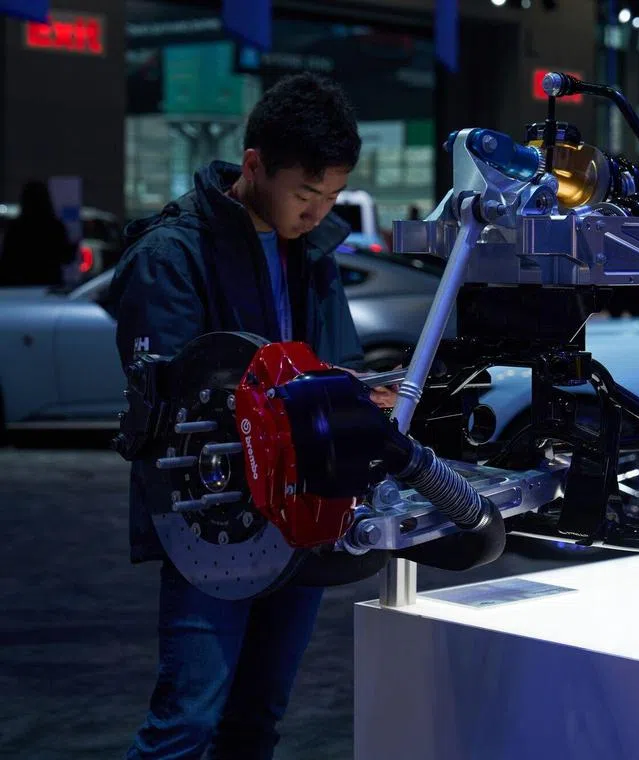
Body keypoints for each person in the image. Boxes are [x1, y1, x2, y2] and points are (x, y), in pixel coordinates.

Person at [109, 73, 392, 759]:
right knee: (187, 723)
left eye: (330, 197)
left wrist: (359, 394)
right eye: (305, 194)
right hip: (213, 523)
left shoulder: (313, 254)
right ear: (255, 164)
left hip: (303, 514)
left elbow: (335, 362)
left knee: (257, 719)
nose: (317, 212)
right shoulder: (172, 255)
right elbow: (182, 401)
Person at [0, 179, 76, 287]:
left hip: (21, 284)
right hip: (49, 284)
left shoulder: (17, 228)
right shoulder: (55, 227)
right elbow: (66, 257)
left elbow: (7, 259)